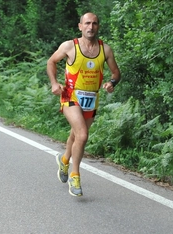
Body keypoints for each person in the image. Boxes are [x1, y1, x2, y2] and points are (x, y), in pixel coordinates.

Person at [46, 12, 121, 196]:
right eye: (87, 23)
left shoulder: (106, 50)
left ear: (98, 27)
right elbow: (51, 62)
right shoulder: (70, 46)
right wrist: (54, 83)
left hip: (91, 99)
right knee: (83, 134)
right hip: (70, 96)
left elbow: (116, 73)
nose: (91, 27)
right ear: (80, 26)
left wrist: (112, 83)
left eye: (94, 23)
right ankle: (75, 174)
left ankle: (64, 160)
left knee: (76, 136)